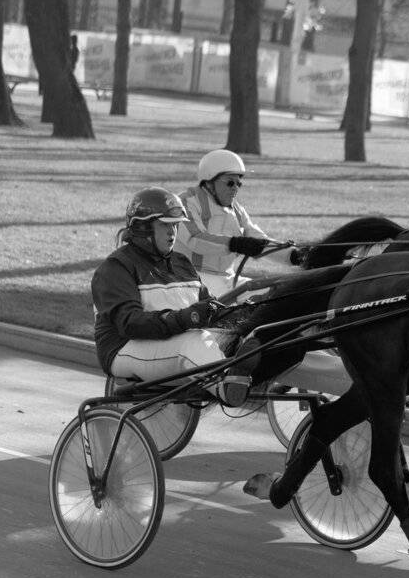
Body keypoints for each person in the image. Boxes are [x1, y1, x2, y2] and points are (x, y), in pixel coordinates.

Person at [92, 187, 253, 406]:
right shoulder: (116, 267)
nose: (173, 232)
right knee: (193, 341)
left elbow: (208, 308)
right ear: (143, 227)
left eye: (175, 225)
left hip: (170, 342)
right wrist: (187, 318)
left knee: (244, 334)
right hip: (124, 349)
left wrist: (243, 315)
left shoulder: (181, 263)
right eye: (165, 225)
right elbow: (130, 323)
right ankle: (225, 386)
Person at [174, 149, 274, 296]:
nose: (235, 189)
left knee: (274, 293)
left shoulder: (236, 209)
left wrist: (294, 255)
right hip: (192, 277)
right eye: (230, 183)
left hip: (228, 278)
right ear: (209, 182)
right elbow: (195, 238)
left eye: (239, 184)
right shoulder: (185, 202)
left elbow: (259, 239)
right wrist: (234, 244)